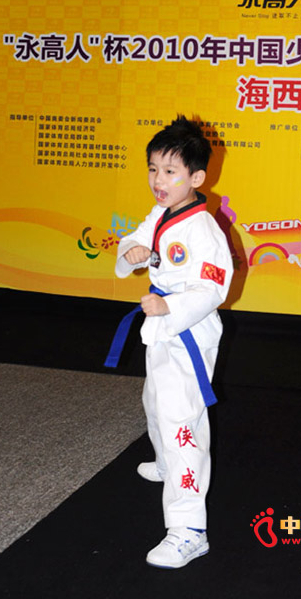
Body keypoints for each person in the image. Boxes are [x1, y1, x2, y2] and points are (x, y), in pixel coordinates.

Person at [114, 116, 233, 569]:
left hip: (188, 332)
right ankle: (167, 462)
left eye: (170, 171)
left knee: (181, 420)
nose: (158, 181)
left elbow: (212, 289)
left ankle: (189, 530)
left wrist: (170, 306)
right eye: (153, 169)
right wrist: (134, 252)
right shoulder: (163, 213)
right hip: (162, 326)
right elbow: (139, 238)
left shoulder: (204, 230)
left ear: (196, 178)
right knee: (154, 401)